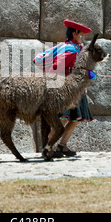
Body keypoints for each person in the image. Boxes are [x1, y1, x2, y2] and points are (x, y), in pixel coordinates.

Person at [34, 19, 94, 157]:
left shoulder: (77, 49)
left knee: (76, 119)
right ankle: (48, 146)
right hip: (66, 90)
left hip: (76, 89)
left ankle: (62, 145)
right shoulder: (70, 50)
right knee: (62, 119)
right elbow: (56, 68)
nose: (82, 38)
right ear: (75, 33)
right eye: (81, 35)